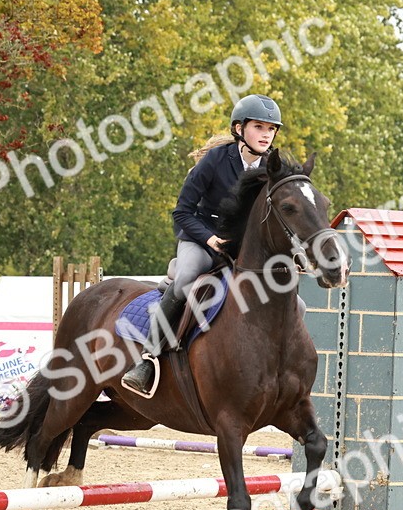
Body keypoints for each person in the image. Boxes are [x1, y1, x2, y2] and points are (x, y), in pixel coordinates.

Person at [121, 94, 283, 397]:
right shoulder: (216, 160)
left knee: (290, 297)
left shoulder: (275, 167)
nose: (266, 134)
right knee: (185, 278)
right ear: (239, 129)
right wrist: (210, 239)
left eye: (271, 129)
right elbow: (182, 211)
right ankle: (148, 359)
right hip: (202, 237)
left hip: (242, 248)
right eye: (259, 126)